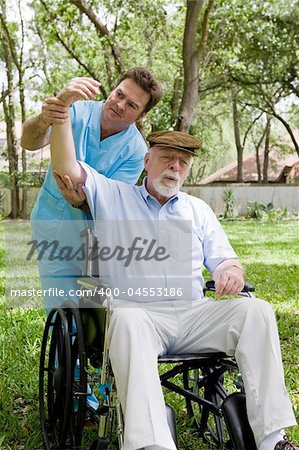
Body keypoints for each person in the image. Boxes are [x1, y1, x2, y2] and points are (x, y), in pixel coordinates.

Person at [50, 118, 298, 450]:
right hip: (141, 316)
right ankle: (152, 444)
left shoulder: (199, 210)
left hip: (194, 314)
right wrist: (63, 116)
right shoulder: (114, 197)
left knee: (257, 311)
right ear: (147, 161)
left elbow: (226, 259)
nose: (175, 166)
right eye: (167, 157)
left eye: (183, 161)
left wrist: (231, 272)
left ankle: (272, 439)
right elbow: (68, 169)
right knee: (125, 318)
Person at [21, 67, 163, 310]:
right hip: (51, 225)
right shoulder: (77, 111)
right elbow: (28, 142)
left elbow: (113, 202)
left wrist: (81, 201)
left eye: (131, 105)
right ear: (113, 90)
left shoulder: (136, 151)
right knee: (63, 309)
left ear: (141, 116)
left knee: (104, 310)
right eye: (119, 95)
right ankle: (67, 346)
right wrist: (47, 117)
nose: (120, 105)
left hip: (98, 239)